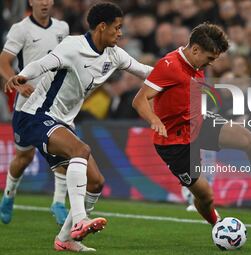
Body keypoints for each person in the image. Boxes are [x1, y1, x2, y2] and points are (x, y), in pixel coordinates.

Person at [5, 2, 152, 252]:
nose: (121, 33)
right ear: (102, 27)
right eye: (117, 28)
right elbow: (42, 63)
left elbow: (146, 71)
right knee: (80, 151)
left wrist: (180, 76)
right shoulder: (74, 46)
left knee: (96, 182)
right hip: (36, 114)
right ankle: (80, 220)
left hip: (61, 121)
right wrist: (23, 76)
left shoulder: (114, 54)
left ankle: (65, 239)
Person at [132, 22, 251, 226]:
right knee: (206, 196)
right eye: (209, 58)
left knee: (249, 140)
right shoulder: (169, 66)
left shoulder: (197, 62)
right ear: (196, 49)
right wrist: (154, 120)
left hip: (198, 122)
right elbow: (139, 100)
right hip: (174, 141)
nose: (211, 64)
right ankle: (218, 224)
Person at [0, 0, 69, 226]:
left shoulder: (62, 28)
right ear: (32, 2)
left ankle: (58, 203)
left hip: (54, 105)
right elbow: (3, 61)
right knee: (24, 158)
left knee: (64, 154)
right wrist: (18, 83)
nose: (45, 2)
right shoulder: (21, 29)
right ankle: (9, 195)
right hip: (27, 106)